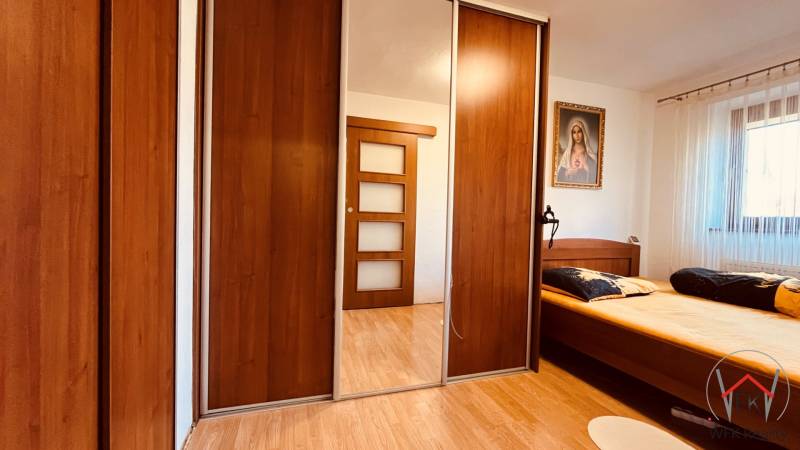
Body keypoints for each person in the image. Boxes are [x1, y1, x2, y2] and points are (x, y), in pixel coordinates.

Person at [557, 117, 598, 184]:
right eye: (574, 132)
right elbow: (559, 175)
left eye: (579, 131)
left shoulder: (589, 154)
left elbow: (593, 175)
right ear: (571, 135)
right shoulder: (567, 153)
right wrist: (567, 172)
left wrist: (579, 171)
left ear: (583, 132)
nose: (577, 135)